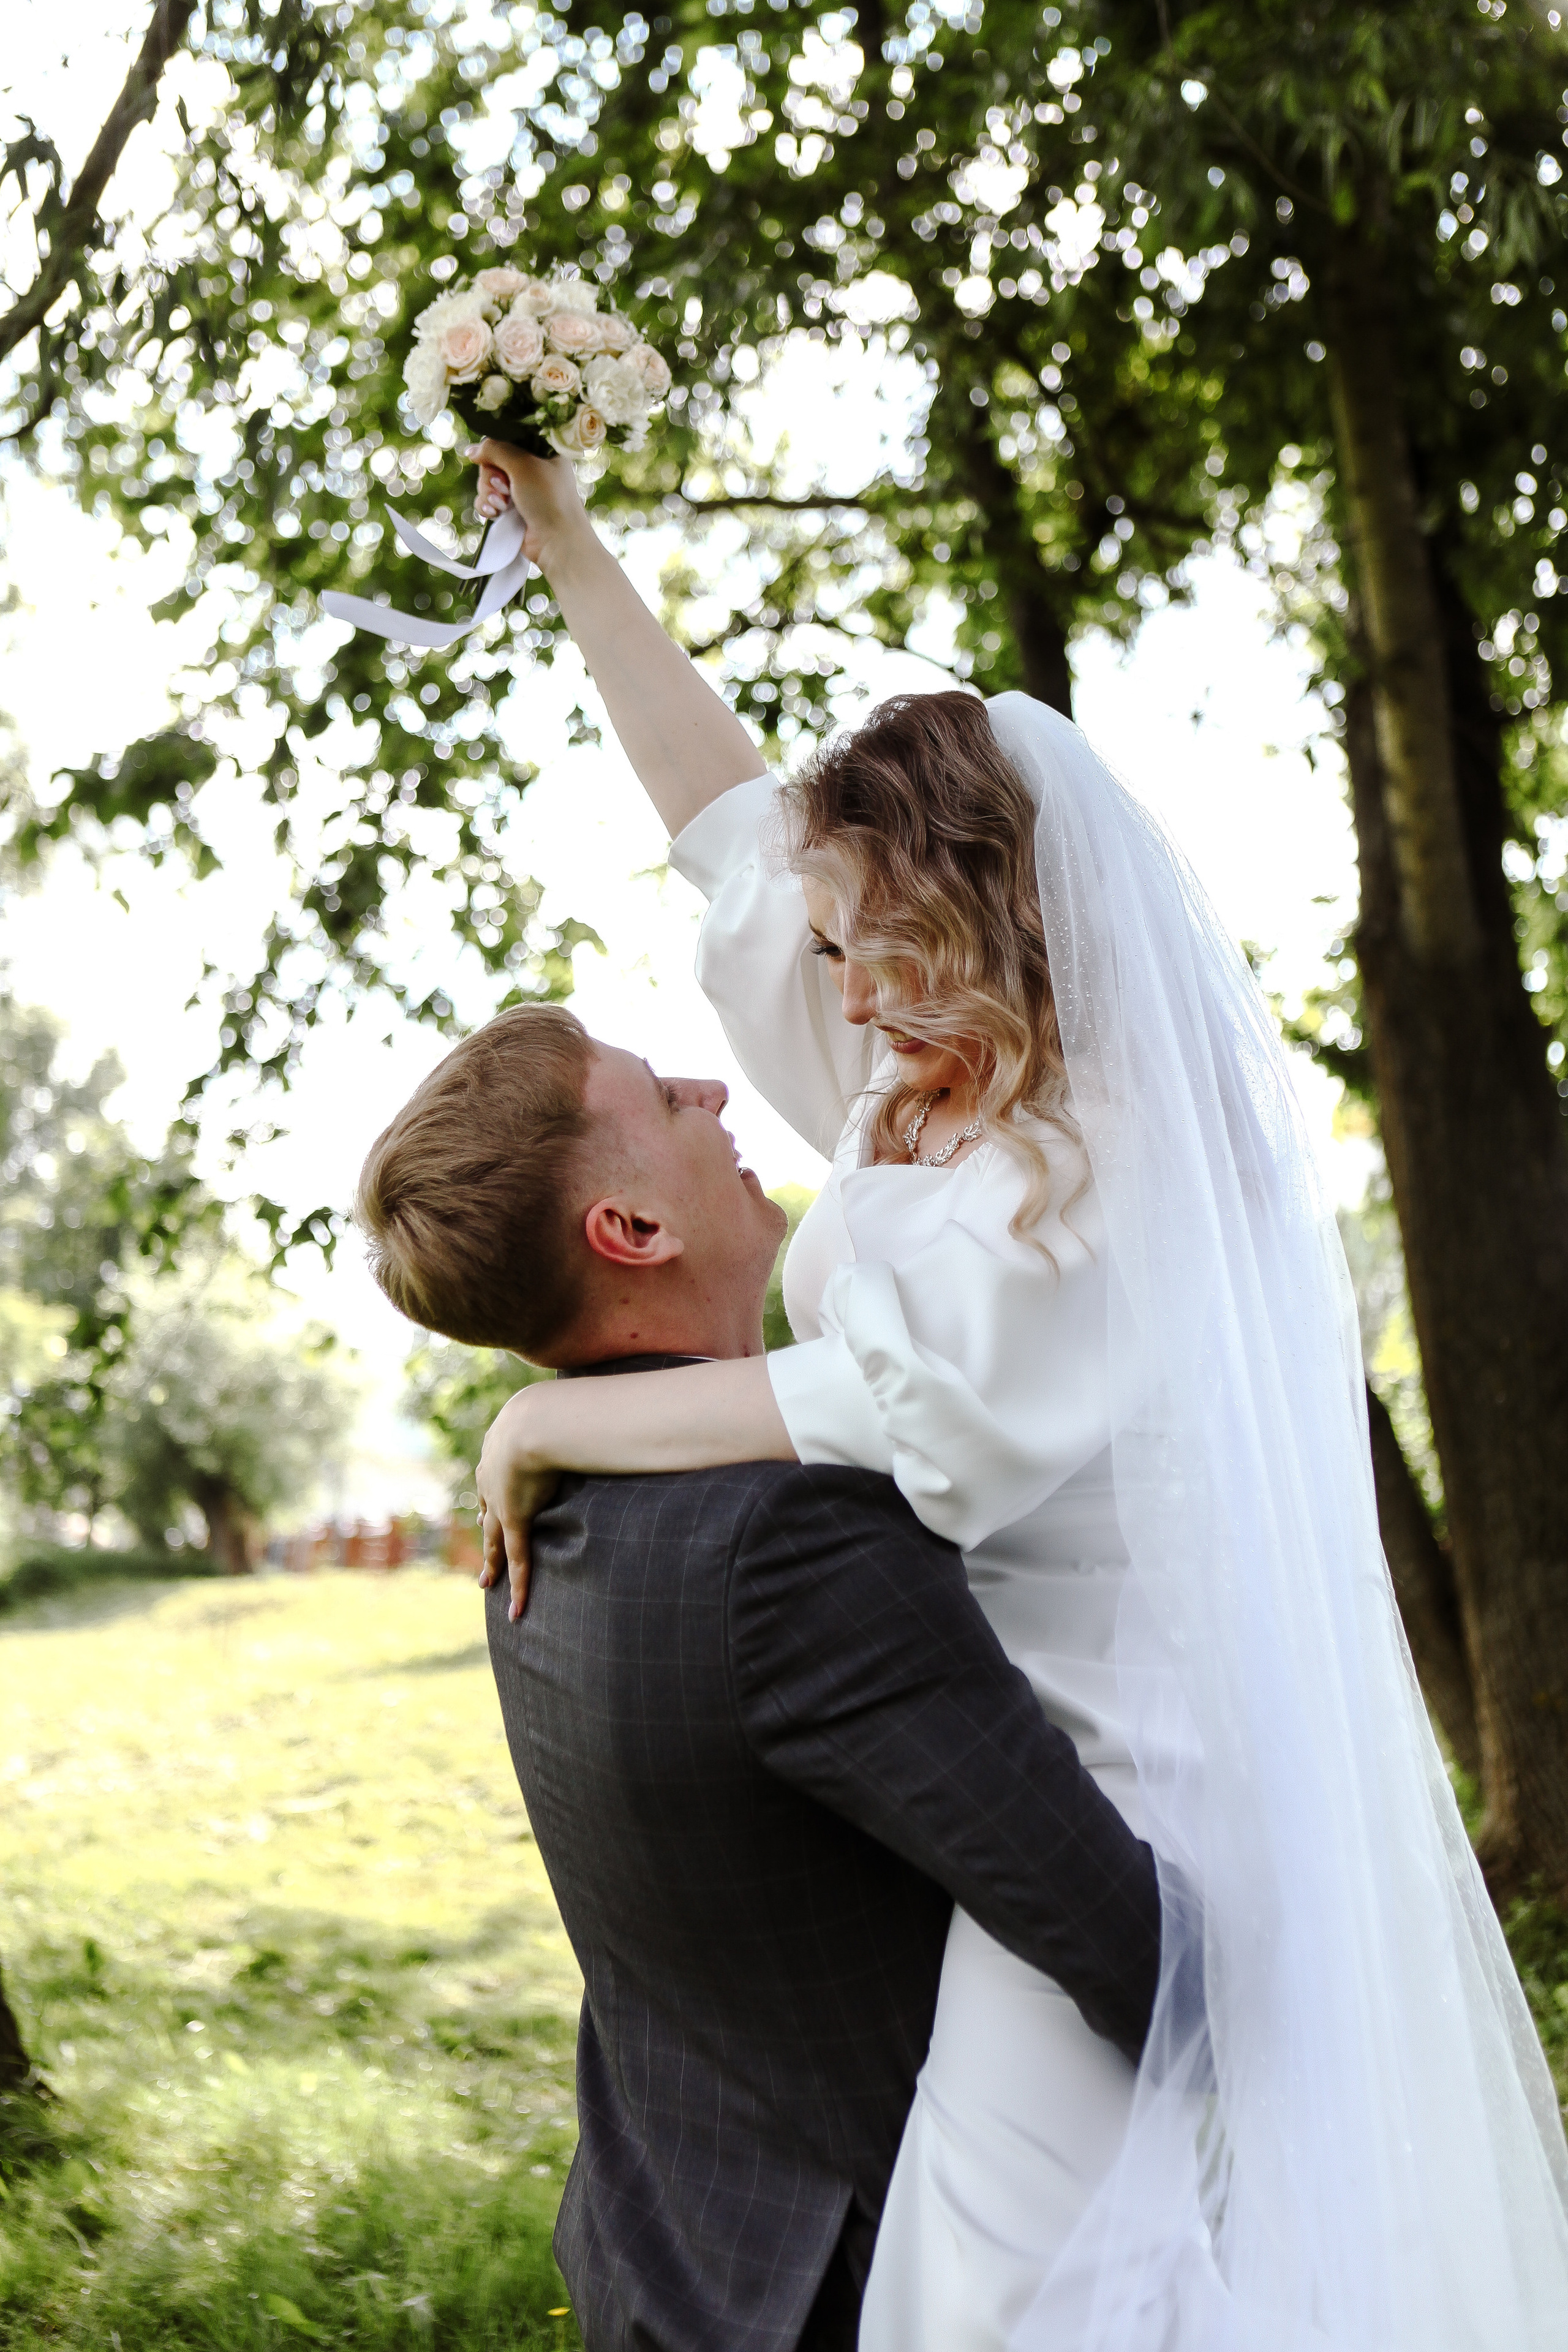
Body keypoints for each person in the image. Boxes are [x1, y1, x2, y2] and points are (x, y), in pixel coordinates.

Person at [464, 439, 1568, 2352]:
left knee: (996, 2299)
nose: (833, 994)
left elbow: (851, 1409)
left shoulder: (1112, 1170)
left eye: (862, 949)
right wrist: (569, 546)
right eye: (826, 954)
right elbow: (719, 816)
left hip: (1153, 1788)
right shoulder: (917, 1086)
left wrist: (546, 1420)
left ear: (968, 907)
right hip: (1025, 1758)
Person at [353, 1005, 1164, 2352]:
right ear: (632, 1233)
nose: (715, 1093)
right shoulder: (793, 1545)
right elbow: (1113, 1942)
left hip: (669, 2249)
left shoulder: (537, 1523)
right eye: (664, 1101)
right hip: (864, 2286)